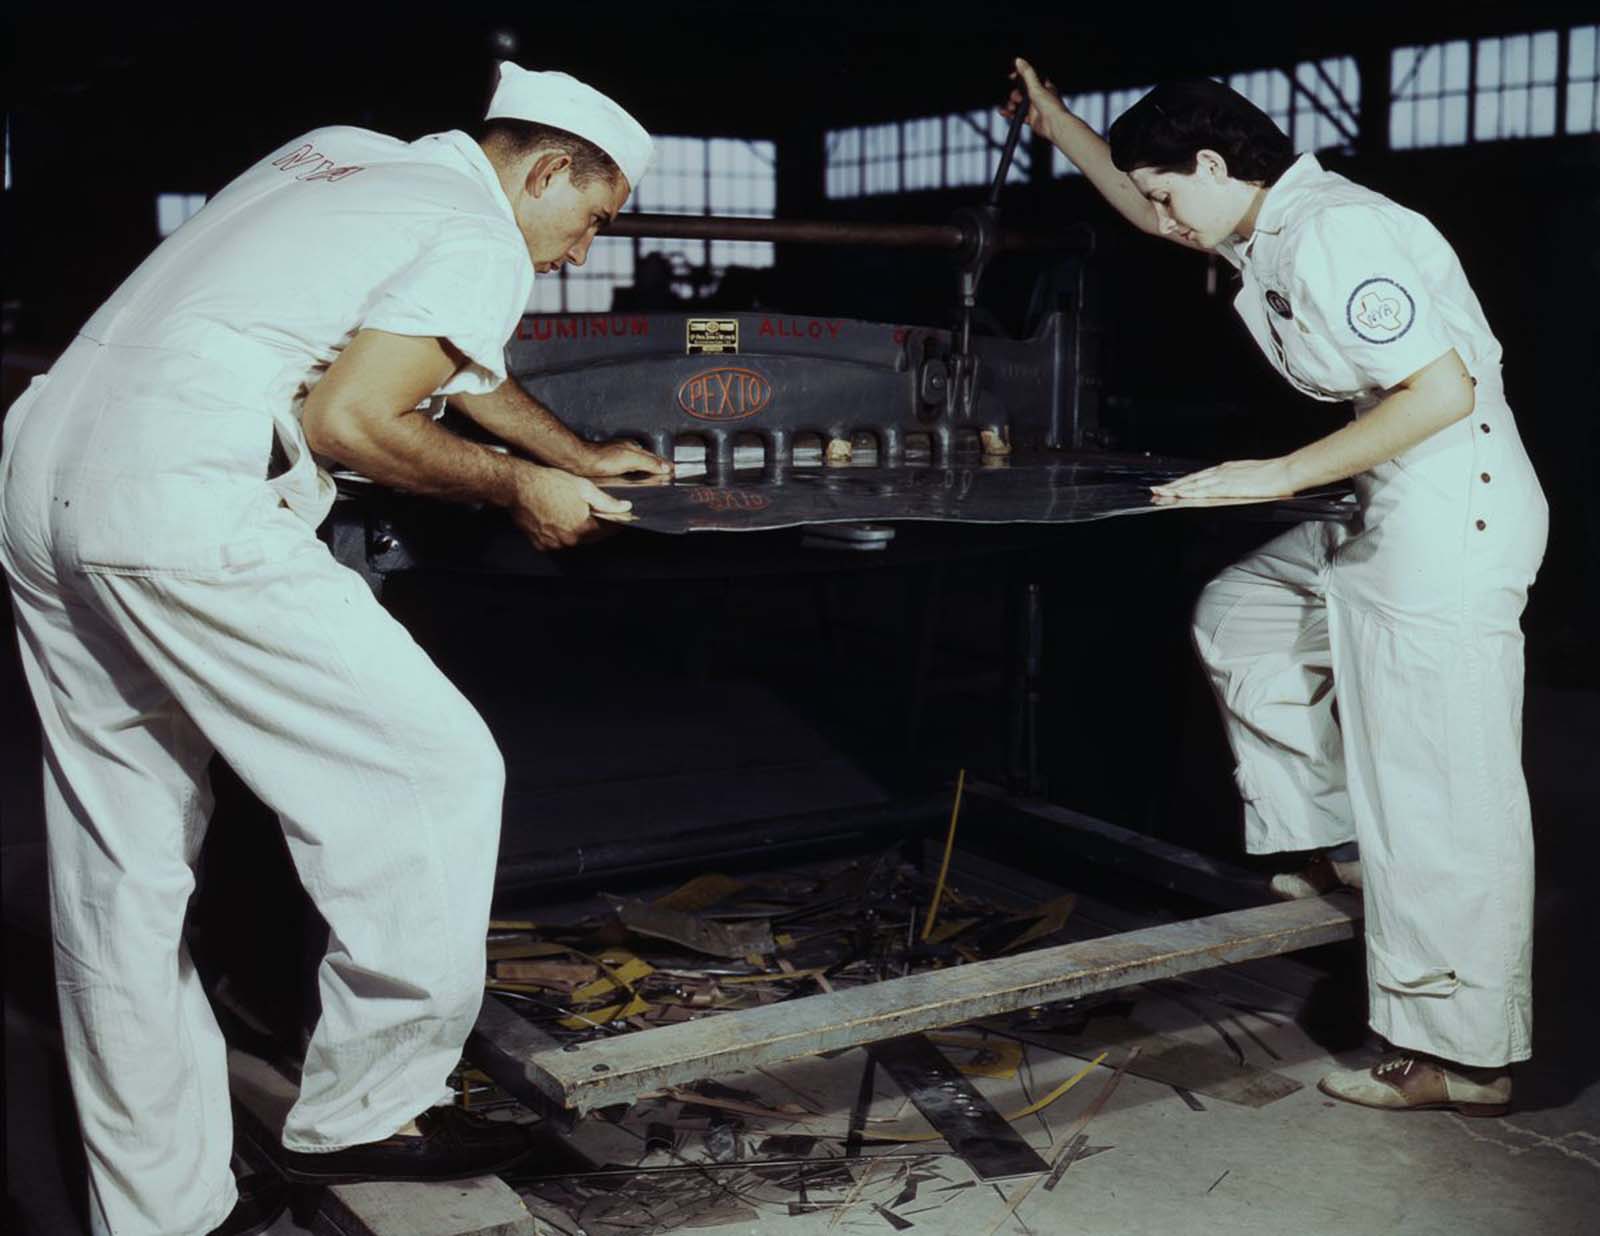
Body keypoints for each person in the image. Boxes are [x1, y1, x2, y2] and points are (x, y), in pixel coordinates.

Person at [0, 62, 671, 1236]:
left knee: (123, 869)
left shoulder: (339, 152)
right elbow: (353, 417)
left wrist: (565, 453)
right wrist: (523, 490)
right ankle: (368, 1109)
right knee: (429, 775)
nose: (578, 250)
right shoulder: (481, 230)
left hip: (44, 476)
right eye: (592, 219)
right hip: (184, 502)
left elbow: (442, 357)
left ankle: (160, 1213)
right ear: (549, 168)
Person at [1008, 62, 1546, 1116]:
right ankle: (1337, 840)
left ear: (1212, 163)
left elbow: (1442, 390)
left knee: (1441, 793)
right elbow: (1141, 195)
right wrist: (1057, 123)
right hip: (1383, 499)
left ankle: (1463, 1057)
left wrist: (1280, 473)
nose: (1161, 218)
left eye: (1169, 192)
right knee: (1244, 614)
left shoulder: (1335, 232)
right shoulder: (1256, 224)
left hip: (1449, 509)